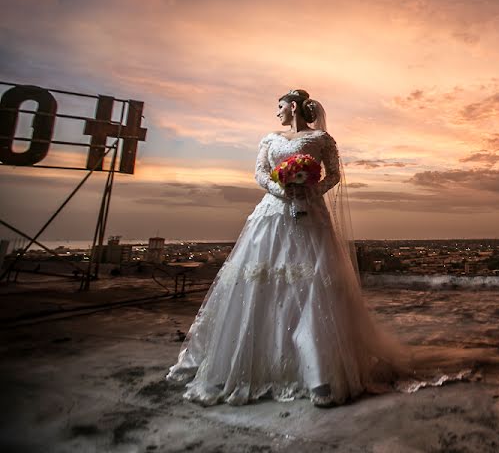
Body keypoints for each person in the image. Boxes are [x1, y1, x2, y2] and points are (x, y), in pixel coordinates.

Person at [165, 89, 418, 407]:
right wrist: (281, 188)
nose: (277, 113)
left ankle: (319, 373)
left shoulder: (322, 139)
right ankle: (239, 365)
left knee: (312, 284)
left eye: (280, 107)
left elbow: (335, 175)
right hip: (271, 214)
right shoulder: (269, 139)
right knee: (260, 281)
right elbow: (259, 172)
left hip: (309, 214)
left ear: (294, 107)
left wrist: (309, 189)